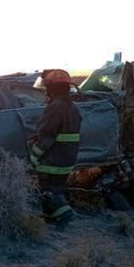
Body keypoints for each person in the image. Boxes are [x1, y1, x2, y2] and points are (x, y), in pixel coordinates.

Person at [29, 69, 82, 224]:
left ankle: (65, 218)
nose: (46, 92)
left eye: (47, 88)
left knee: (49, 194)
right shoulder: (73, 108)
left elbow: (46, 136)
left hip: (52, 162)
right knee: (55, 191)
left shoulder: (54, 108)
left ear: (52, 89)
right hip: (66, 161)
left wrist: (34, 156)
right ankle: (52, 222)